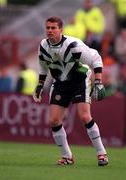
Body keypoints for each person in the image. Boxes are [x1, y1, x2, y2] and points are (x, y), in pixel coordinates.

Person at [33, 16, 108, 166]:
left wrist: (98, 81)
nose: (50, 31)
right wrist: (40, 85)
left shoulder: (73, 45)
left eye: (53, 28)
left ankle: (102, 154)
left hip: (80, 80)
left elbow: (96, 58)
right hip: (60, 83)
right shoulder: (43, 46)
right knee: (54, 120)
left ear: (61, 29)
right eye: (48, 28)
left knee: (85, 116)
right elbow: (43, 66)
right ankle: (67, 157)